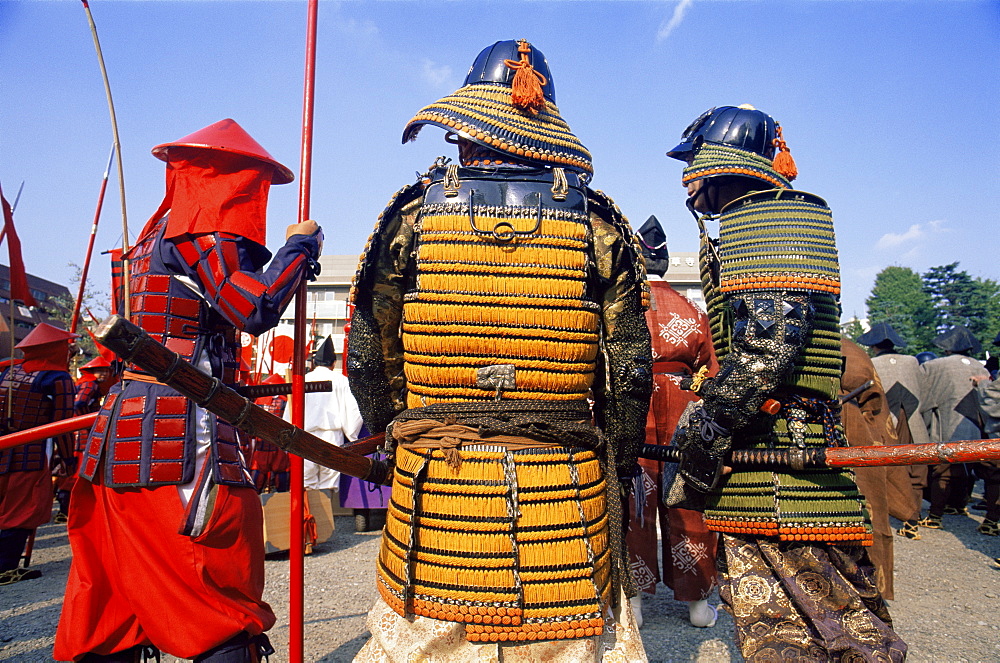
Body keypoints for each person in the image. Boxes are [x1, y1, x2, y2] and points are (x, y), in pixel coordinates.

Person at [348, 39, 651, 660]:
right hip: (565, 493)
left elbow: (365, 355)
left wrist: (396, 432)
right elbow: (629, 371)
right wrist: (619, 465)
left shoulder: (410, 214)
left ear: (467, 127)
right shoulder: (598, 224)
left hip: (436, 489)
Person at [55, 119, 322, 662]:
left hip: (127, 429)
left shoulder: (154, 236)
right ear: (230, 178)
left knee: (118, 597)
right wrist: (298, 248)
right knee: (216, 587)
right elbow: (253, 307)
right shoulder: (200, 230)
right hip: (177, 431)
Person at [664, 105, 905, 661]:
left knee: (805, 631)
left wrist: (705, 426)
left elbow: (769, 352)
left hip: (777, 459)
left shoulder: (765, 221)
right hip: (783, 443)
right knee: (829, 619)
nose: (689, 179)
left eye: (695, 163)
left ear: (717, 164)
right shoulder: (771, 218)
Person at [625, 215, 719, 629]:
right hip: (685, 403)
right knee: (688, 500)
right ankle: (697, 604)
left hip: (633, 402)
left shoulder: (623, 308)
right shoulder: (692, 309)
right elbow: (711, 370)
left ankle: (635, 603)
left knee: (635, 500)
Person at [0, 323, 76, 584]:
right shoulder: (58, 379)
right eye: (66, 347)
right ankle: (5, 567)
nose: (69, 352)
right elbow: (63, 425)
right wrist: (68, 459)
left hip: (4, 447)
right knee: (22, 509)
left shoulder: (8, 373)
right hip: (30, 452)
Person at [840, 336, 909, 599]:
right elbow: (875, 401)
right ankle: (870, 586)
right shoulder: (853, 350)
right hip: (857, 428)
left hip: (833, 428)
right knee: (869, 505)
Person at [858, 322, 928, 538]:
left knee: (892, 469)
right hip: (914, 418)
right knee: (916, 467)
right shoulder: (912, 361)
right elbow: (924, 392)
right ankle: (914, 515)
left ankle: (898, 514)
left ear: (874, 345)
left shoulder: (871, 362)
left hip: (887, 421)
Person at [919, 325, 989, 530]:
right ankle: (959, 504)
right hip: (975, 422)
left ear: (947, 347)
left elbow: (924, 398)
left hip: (947, 420)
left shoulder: (935, 366)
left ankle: (936, 514)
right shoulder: (981, 367)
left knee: (943, 467)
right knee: (971, 465)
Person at [284, 336, 363, 490]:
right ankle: (327, 511)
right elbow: (353, 409)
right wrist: (352, 434)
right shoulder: (341, 380)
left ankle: (309, 513)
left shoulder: (303, 380)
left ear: (314, 363)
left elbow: (290, 410)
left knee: (306, 480)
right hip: (332, 434)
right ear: (333, 363)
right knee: (329, 479)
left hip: (304, 434)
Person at [54, 355, 115, 523]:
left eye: (106, 371)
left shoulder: (84, 382)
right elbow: (79, 403)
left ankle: (65, 509)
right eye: (100, 370)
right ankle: (67, 509)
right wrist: (88, 420)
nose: (104, 374)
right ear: (91, 371)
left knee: (72, 471)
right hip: (82, 433)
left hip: (76, 432)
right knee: (78, 471)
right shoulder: (90, 384)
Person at [249, 373, 291, 493]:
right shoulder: (286, 401)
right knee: (282, 473)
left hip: (261, 444)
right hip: (279, 444)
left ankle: (254, 498)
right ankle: (281, 499)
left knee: (257, 473)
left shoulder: (258, 401)